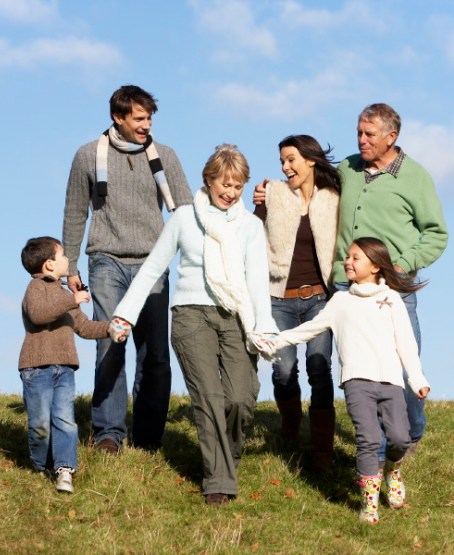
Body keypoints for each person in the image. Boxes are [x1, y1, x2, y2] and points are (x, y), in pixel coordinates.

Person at [110, 144, 278, 505]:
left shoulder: (250, 226)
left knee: (240, 398)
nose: (232, 194)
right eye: (225, 185)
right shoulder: (185, 218)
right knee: (210, 398)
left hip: (235, 315)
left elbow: (257, 280)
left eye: (238, 187)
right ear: (209, 180)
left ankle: (226, 458)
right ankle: (218, 481)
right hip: (190, 316)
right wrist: (125, 313)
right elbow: (153, 268)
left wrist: (263, 327)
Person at [62, 85, 193, 454]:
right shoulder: (88, 156)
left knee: (154, 353)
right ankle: (107, 432)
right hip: (106, 259)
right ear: (118, 118)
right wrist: (70, 265)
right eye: (139, 118)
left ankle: (149, 437)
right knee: (110, 344)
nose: (146, 124)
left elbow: (184, 211)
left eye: (149, 117)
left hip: (154, 264)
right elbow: (75, 212)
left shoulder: (164, 155)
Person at [263, 237, 431, 525]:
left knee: (400, 438)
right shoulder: (340, 301)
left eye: (356, 258)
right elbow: (309, 328)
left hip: (390, 382)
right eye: (348, 257)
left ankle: (392, 471)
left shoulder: (391, 299)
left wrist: (416, 379)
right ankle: (369, 506)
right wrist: (276, 340)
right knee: (368, 439)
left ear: (376, 266)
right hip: (357, 382)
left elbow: (405, 344)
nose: (348, 262)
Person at [332, 103, 447, 457]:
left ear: (391, 137)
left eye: (369, 134)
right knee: (360, 369)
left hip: (393, 287)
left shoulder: (415, 177)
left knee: (403, 362)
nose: (361, 140)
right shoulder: (347, 169)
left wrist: (402, 264)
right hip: (346, 284)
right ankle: (378, 443)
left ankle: (410, 432)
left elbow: (436, 233)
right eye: (359, 133)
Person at [253, 135, 340, 470]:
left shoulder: (334, 197)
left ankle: (321, 449)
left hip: (321, 297)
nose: (285, 167)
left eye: (291, 160)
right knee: (284, 369)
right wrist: (261, 201)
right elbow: (253, 233)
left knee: (320, 367)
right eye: (282, 162)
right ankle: (290, 424)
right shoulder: (273, 193)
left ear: (310, 160)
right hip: (280, 299)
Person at [18, 236, 112, 493]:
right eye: (63, 257)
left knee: (65, 419)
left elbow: (83, 327)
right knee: (39, 425)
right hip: (36, 369)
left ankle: (65, 469)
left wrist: (111, 329)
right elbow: (39, 315)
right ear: (49, 265)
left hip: (65, 369)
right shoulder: (35, 289)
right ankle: (40, 465)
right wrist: (73, 299)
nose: (68, 261)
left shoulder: (65, 295)